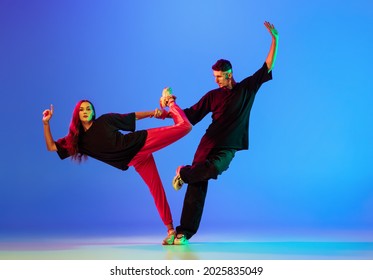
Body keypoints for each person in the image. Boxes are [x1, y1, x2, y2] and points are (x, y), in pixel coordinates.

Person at [172, 21, 279, 245]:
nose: (216, 80)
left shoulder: (247, 89)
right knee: (198, 185)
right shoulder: (212, 95)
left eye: (219, 76)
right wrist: (170, 108)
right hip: (207, 142)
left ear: (229, 74)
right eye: (214, 77)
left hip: (228, 147)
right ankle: (184, 232)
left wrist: (274, 40)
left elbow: (267, 66)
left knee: (211, 170)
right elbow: (191, 114)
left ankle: (184, 172)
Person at [42, 88, 192, 245]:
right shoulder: (77, 141)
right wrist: (46, 123)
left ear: (93, 112)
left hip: (140, 143)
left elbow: (132, 116)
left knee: (184, 127)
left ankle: (169, 101)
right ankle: (170, 231)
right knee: (157, 191)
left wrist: (156, 113)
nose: (85, 111)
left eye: (88, 108)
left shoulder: (105, 120)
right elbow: (51, 147)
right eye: (81, 109)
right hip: (136, 160)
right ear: (77, 115)